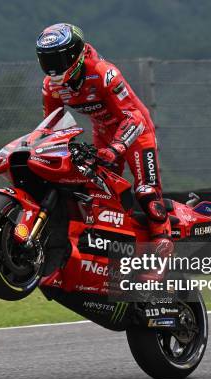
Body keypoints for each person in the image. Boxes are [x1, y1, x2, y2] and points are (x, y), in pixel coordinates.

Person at [36, 23, 172, 254]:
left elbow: (135, 118)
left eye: (57, 61)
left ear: (75, 54)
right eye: (46, 61)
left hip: (136, 130)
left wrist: (116, 149)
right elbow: (51, 125)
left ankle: (163, 245)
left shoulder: (103, 72)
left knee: (146, 192)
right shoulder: (51, 86)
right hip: (102, 133)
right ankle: (125, 248)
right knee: (104, 195)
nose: (53, 70)